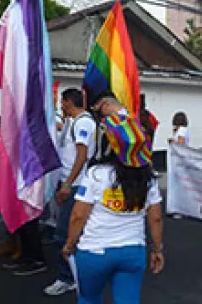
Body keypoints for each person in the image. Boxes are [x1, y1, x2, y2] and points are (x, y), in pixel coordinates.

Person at [61, 114, 164, 303]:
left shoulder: (96, 174)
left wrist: (69, 245)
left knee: (89, 299)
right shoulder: (149, 177)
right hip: (133, 251)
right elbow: (155, 218)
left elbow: (78, 216)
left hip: (94, 252)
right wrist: (157, 249)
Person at [44, 88, 97, 296]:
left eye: (62, 103)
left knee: (64, 234)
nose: (60, 106)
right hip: (70, 182)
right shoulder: (73, 122)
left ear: (68, 102)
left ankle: (67, 279)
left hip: (75, 185)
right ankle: (77, 275)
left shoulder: (83, 123)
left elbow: (82, 156)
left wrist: (67, 184)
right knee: (73, 233)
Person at [168, 111, 189, 220]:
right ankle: (179, 208)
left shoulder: (181, 130)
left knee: (178, 185)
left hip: (178, 161)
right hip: (179, 160)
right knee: (179, 184)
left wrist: (172, 141)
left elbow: (180, 143)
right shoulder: (182, 130)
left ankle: (178, 208)